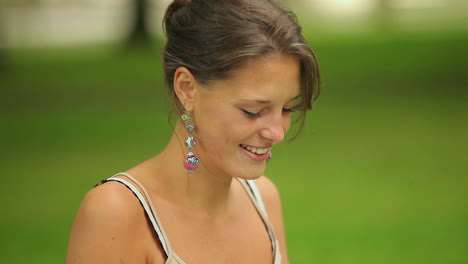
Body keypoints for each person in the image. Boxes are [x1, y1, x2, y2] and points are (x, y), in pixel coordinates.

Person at [66, 0, 320, 263]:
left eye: (288, 109)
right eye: (253, 111)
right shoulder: (116, 212)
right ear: (187, 88)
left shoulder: (263, 198)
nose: (277, 133)